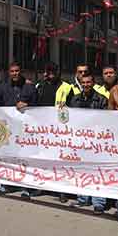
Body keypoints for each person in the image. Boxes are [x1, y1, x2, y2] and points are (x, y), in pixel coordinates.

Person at [66, 73, 109, 214]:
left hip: (97, 142)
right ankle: (82, 199)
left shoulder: (102, 100)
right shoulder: (74, 99)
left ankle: (99, 202)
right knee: (81, 170)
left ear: (93, 83)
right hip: (80, 142)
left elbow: (107, 121)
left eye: (89, 82)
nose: (86, 85)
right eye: (83, 83)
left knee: (98, 172)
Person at [0, 61, 37, 196]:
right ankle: (6, 185)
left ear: (21, 71)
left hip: (25, 130)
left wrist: (28, 104)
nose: (15, 73)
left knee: (24, 159)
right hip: (8, 129)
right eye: (12, 71)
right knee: (8, 158)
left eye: (17, 71)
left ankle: (25, 186)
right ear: (9, 72)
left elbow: (38, 106)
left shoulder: (30, 87)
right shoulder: (2, 87)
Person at [33, 62, 72, 202]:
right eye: (47, 71)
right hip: (42, 130)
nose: (49, 74)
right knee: (43, 159)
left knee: (60, 161)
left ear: (58, 72)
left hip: (60, 130)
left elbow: (74, 109)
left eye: (52, 71)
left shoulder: (67, 87)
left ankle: (62, 190)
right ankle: (42, 186)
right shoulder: (39, 86)